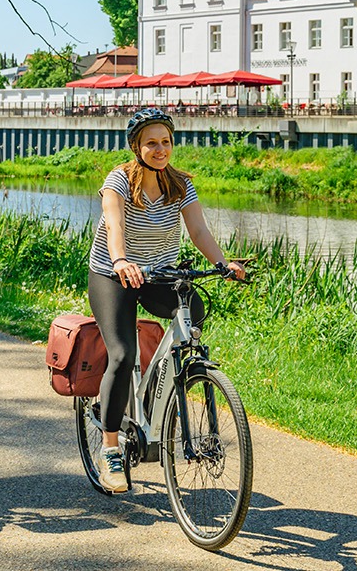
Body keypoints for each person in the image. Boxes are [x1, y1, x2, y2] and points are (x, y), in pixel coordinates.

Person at [87, 106, 246, 493]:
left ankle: (163, 387)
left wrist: (224, 263)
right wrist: (122, 259)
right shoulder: (119, 181)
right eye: (152, 143)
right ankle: (110, 450)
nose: (161, 149)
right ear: (136, 147)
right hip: (113, 274)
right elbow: (115, 224)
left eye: (166, 142)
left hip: (159, 274)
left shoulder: (180, 184)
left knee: (194, 312)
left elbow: (198, 230)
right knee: (123, 356)